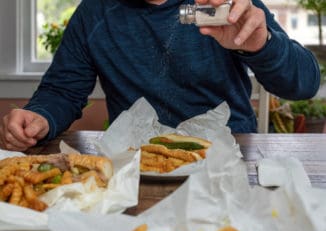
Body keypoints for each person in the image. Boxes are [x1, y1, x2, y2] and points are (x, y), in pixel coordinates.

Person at [0, 0, 320, 151]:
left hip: (228, 158)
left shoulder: (220, 5)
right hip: (138, 163)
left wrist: (261, 46)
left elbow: (304, 84)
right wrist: (38, 117)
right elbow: (62, 92)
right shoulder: (94, 13)